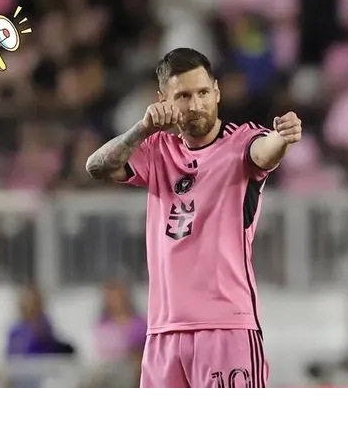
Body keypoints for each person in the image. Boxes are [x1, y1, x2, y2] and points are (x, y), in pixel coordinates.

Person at [85, 47, 302, 388]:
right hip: (163, 333)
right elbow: (96, 166)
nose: (197, 104)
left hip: (226, 327)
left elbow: (265, 153)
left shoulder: (242, 141)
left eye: (203, 92)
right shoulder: (157, 149)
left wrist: (283, 138)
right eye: (183, 96)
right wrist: (142, 128)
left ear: (217, 92)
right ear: (163, 101)